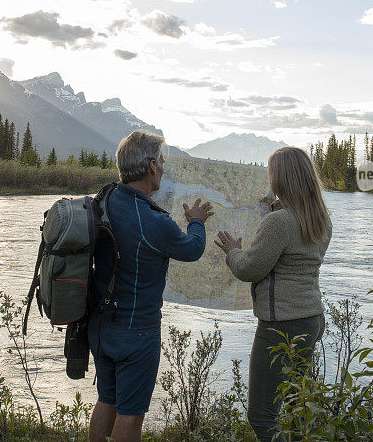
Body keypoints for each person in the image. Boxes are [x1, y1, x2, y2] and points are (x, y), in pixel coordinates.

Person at [88, 130, 214, 442]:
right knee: (131, 413)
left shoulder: (104, 199)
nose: (164, 167)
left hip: (100, 327)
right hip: (136, 334)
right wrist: (196, 221)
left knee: (107, 400)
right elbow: (192, 249)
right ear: (150, 168)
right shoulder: (154, 221)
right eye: (161, 161)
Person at [214, 146, 332, 442]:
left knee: (262, 415)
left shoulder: (278, 223)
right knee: (295, 409)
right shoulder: (320, 220)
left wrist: (232, 252)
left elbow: (251, 269)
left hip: (281, 325)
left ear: (280, 179)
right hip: (311, 319)